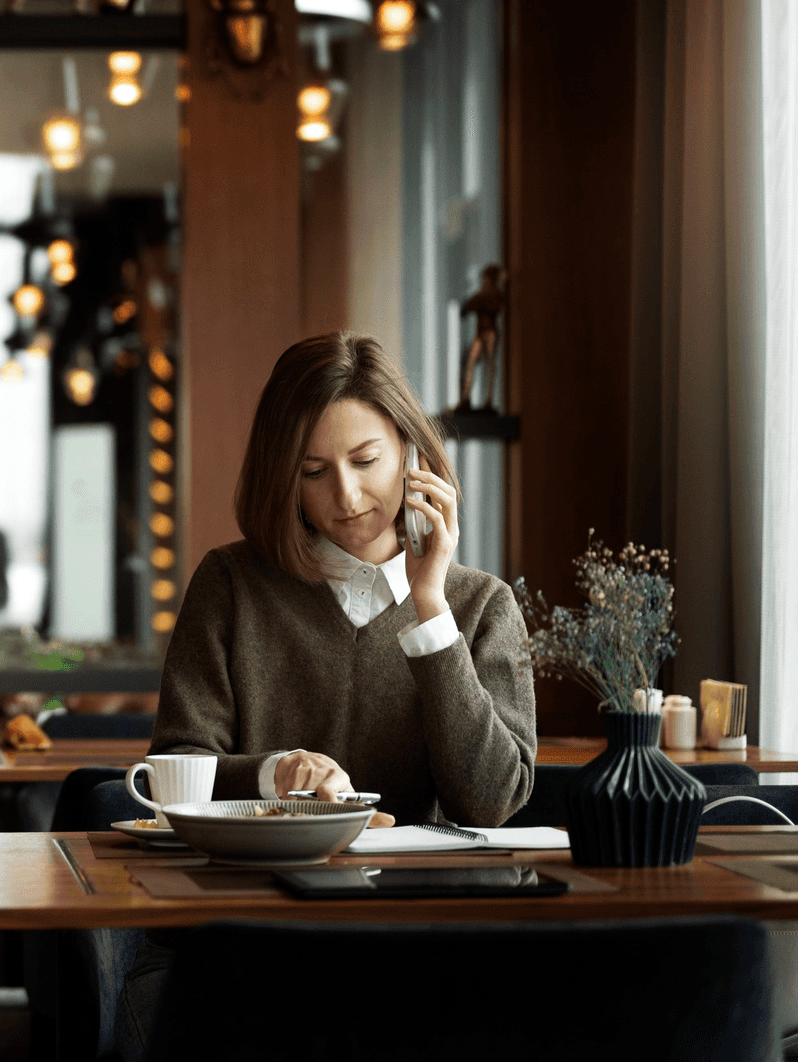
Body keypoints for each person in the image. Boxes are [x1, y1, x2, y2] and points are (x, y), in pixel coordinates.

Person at [115, 332, 535, 1061]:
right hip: (241, 943)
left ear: (411, 453)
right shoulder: (230, 585)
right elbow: (177, 765)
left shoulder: (479, 607)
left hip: (414, 943)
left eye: (366, 461)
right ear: (284, 478)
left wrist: (430, 610)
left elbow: (491, 801)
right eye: (314, 471)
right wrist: (274, 776)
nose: (346, 496)